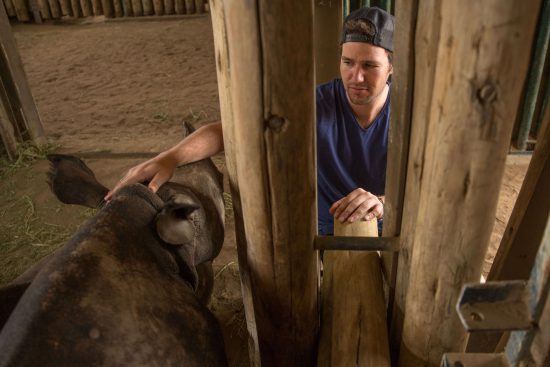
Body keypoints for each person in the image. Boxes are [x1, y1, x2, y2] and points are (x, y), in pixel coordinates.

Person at [106, 6, 394, 236]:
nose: (355, 77)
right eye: (348, 62)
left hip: (389, 231)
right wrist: (169, 158)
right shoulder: (314, 104)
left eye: (369, 65)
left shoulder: (405, 117)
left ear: (392, 67)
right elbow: (226, 133)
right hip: (321, 235)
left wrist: (381, 203)